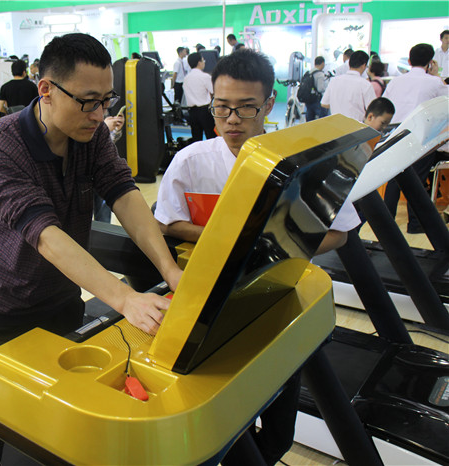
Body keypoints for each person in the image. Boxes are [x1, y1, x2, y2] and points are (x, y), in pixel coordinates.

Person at [154, 49, 360, 465]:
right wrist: (235, 240)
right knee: (229, 422)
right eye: (221, 107)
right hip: (212, 306)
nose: (232, 120)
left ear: (268, 104)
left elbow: (340, 231)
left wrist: (274, 243)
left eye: (246, 108)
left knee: (280, 429)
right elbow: (168, 223)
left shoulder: (301, 159)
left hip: (280, 298)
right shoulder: (192, 161)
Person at [0, 32, 182, 346]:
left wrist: (170, 270)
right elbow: (45, 235)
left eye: (106, 101)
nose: (99, 115)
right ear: (46, 90)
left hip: (65, 293)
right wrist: (124, 298)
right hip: (5, 309)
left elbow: (123, 194)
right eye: (88, 102)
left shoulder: (92, 136)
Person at [382, 43, 449, 234]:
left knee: (394, 180)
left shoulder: (395, 82)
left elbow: (386, 104)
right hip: (421, 136)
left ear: (409, 60)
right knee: (416, 181)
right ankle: (415, 225)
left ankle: (385, 224)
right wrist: (436, 76)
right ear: (430, 62)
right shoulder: (434, 82)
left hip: (396, 134)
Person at [321, 50, 376, 122]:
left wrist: (338, 106)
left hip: (336, 125)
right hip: (356, 126)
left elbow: (324, 103)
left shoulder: (334, 81)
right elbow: (373, 110)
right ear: (364, 65)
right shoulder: (365, 85)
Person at [183, 52, 215, 141]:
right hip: (204, 111)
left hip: (192, 112)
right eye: (203, 60)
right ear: (199, 62)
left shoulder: (186, 78)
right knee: (211, 137)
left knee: (196, 139)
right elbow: (214, 92)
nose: (204, 62)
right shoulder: (205, 76)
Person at [305, 56, 328, 121]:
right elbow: (320, 89)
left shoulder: (309, 72)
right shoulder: (320, 74)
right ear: (323, 63)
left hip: (308, 99)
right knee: (322, 120)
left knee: (310, 120)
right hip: (316, 100)